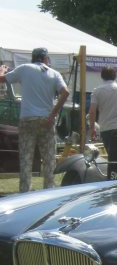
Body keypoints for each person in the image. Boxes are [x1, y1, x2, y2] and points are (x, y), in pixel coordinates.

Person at [0, 47, 69, 193]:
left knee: (26, 157)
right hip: (46, 119)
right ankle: (49, 190)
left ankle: (25, 191)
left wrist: (2, 70)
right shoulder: (54, 73)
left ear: (33, 58)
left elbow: (2, 79)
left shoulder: (24, 68)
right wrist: (52, 115)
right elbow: (65, 93)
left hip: (28, 118)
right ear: (45, 59)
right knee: (49, 159)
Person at [89, 66, 117, 158]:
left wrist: (92, 128)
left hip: (105, 128)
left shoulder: (96, 91)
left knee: (111, 155)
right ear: (115, 76)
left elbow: (92, 112)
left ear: (102, 76)